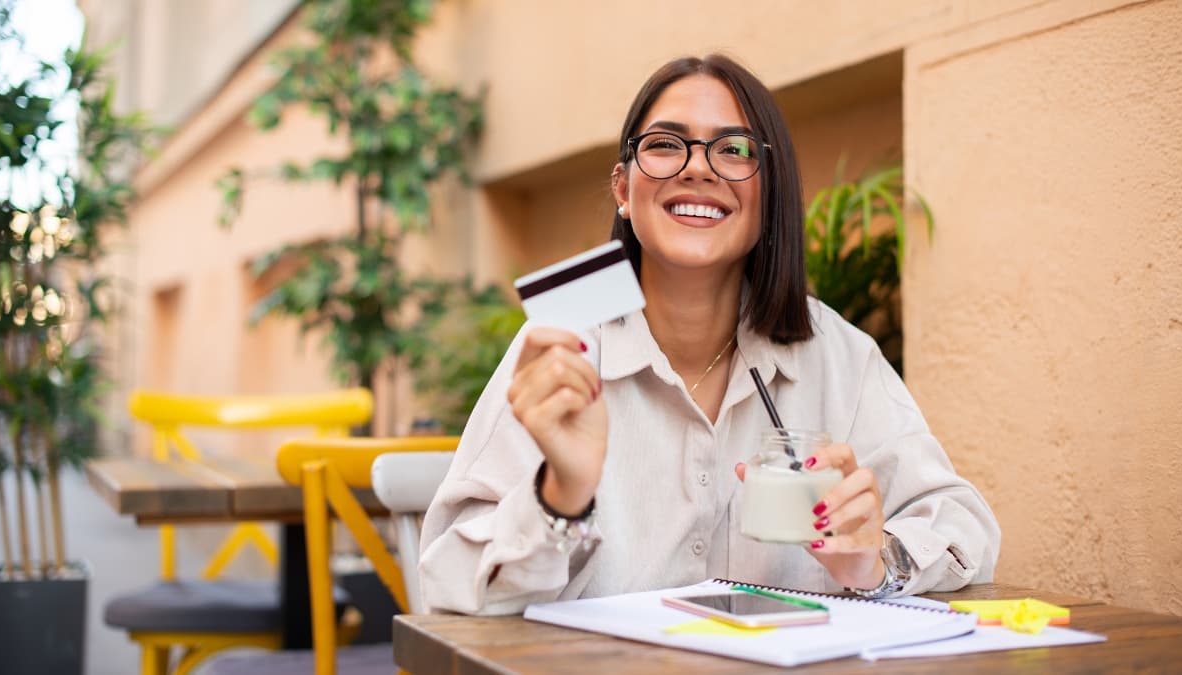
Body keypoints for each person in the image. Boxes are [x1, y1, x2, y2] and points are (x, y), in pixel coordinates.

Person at [419, 54, 999, 615]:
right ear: (623, 189)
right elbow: (444, 577)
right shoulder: (562, 343)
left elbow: (961, 525)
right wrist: (559, 497)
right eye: (666, 144)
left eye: (735, 149)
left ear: (767, 194)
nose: (698, 167)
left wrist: (876, 560)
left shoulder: (835, 352)